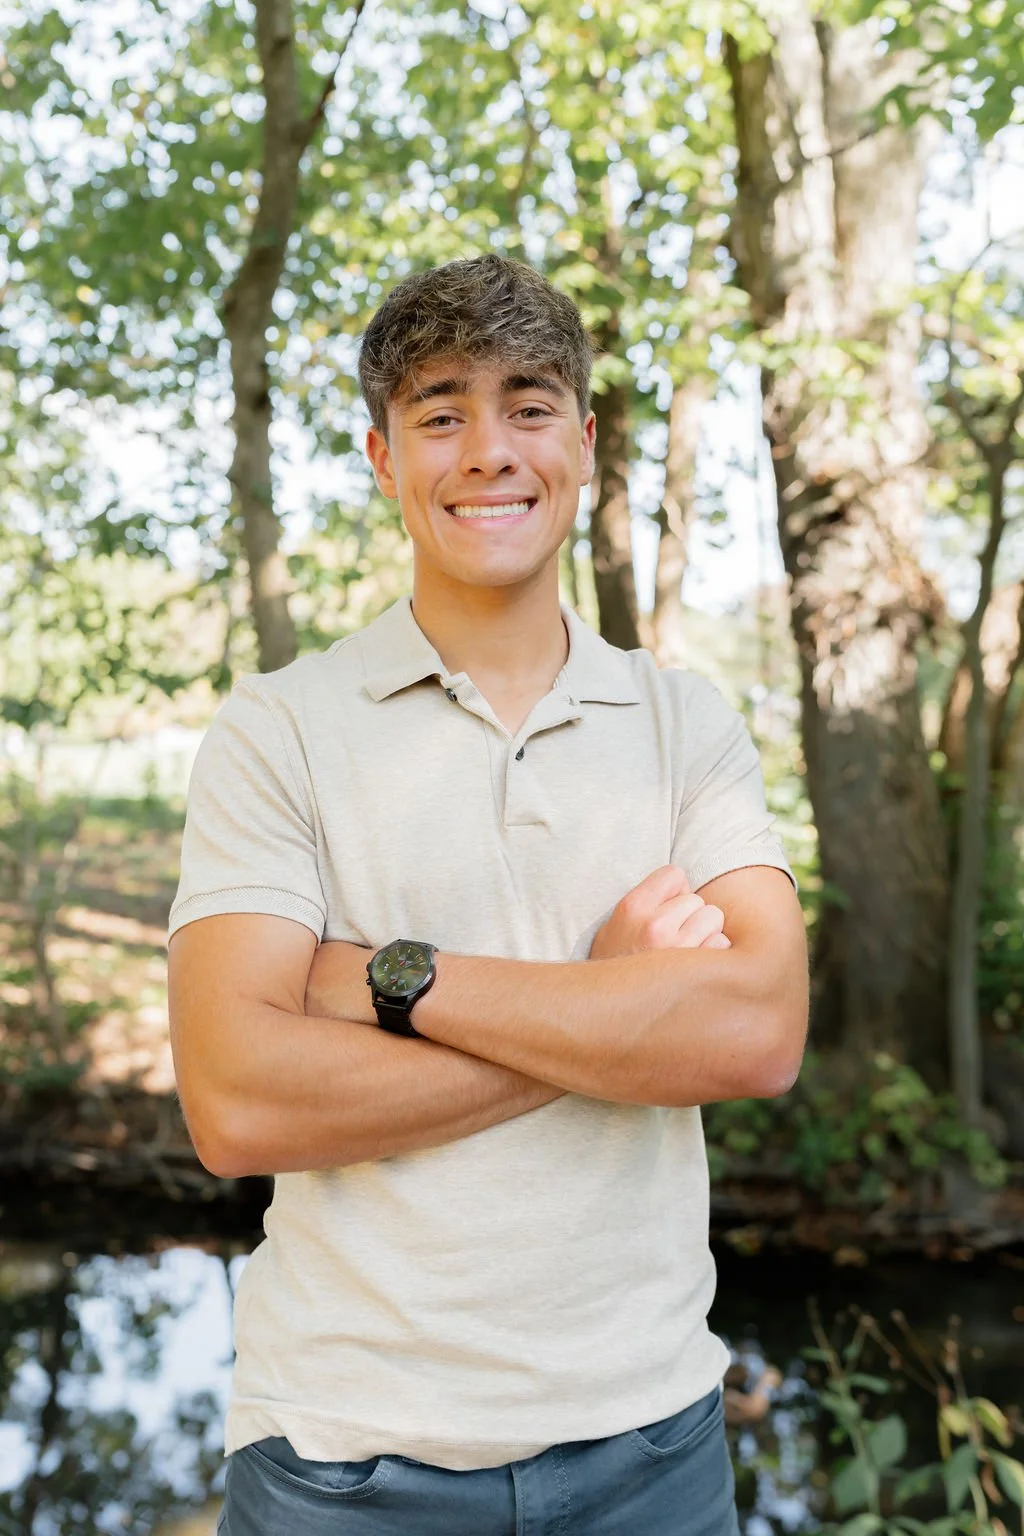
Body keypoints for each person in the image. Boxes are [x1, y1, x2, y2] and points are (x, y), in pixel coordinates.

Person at [167, 253, 808, 1536]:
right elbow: (236, 1103)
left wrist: (388, 979)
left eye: (525, 404)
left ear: (580, 440)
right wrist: (617, 1006)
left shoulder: (685, 721)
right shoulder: (277, 731)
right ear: (380, 456)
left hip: (652, 1451)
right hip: (344, 1464)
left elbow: (753, 1032)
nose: (487, 450)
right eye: (440, 410)